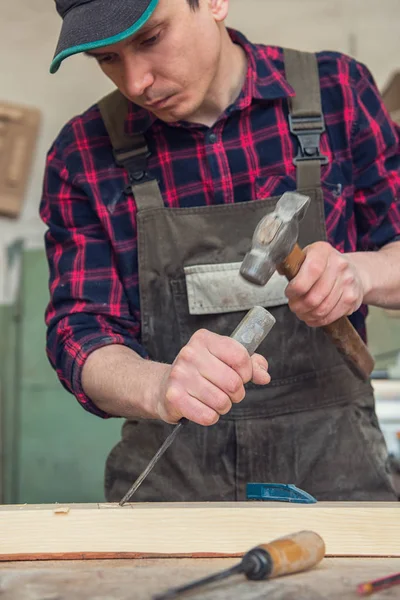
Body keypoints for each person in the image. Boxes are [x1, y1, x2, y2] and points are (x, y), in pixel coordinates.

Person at [41, 0, 400, 503]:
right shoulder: (81, 154)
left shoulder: (340, 92)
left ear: (212, 3)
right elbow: (78, 334)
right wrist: (159, 384)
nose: (136, 81)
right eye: (107, 59)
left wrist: (361, 274)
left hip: (336, 463)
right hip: (174, 475)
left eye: (149, 39)